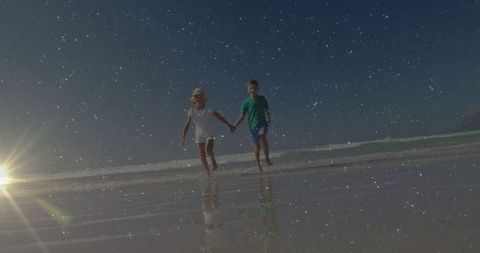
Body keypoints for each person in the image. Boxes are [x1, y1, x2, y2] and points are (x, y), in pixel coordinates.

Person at [182, 88, 234, 177]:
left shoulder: (208, 109)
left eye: (200, 97)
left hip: (209, 134)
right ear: (193, 99)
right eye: (196, 97)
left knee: (208, 150)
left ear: (203, 99)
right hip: (199, 135)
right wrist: (183, 137)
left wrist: (229, 125)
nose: (198, 99)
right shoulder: (192, 111)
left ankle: (213, 161)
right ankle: (208, 172)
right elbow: (187, 125)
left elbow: (219, 117)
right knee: (202, 155)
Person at [232, 79, 272, 172]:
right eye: (251, 88)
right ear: (248, 90)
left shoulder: (262, 99)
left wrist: (269, 118)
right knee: (257, 146)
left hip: (263, 123)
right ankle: (258, 165)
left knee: (263, 137)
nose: (253, 90)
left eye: (254, 88)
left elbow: (266, 110)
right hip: (253, 126)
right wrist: (234, 125)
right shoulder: (246, 102)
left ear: (257, 88)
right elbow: (242, 116)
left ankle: (267, 158)